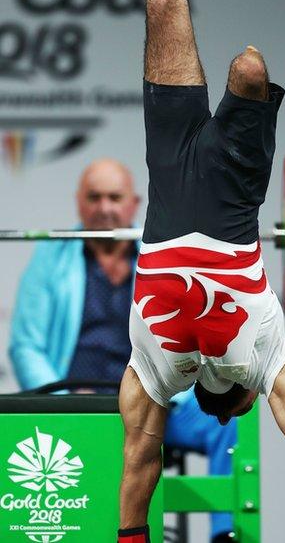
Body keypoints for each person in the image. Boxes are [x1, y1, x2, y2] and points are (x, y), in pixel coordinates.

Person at [118, 0, 285, 542]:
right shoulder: (155, 370)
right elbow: (139, 460)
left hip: (219, 188)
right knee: (165, 3)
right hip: (174, 172)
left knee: (250, 66)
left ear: (238, 402)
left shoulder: (262, 359)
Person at [8, 158, 238, 542]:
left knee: (227, 418)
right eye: (94, 197)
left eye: (114, 197)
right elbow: (26, 345)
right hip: (78, 405)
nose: (105, 208)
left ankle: (224, 533)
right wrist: (65, 402)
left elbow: (189, 335)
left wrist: (170, 392)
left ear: (133, 203)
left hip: (155, 403)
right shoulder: (50, 258)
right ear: (79, 204)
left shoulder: (160, 258)